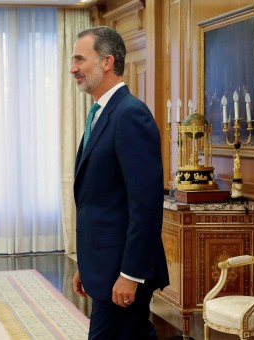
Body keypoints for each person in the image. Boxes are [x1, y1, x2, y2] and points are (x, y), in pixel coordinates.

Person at [70, 26, 170, 339]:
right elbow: (101, 199)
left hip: (123, 272)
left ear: (107, 62)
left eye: (79, 59)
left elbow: (145, 204)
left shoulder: (130, 114)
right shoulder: (100, 113)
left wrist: (131, 273)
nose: (73, 68)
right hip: (104, 266)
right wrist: (86, 265)